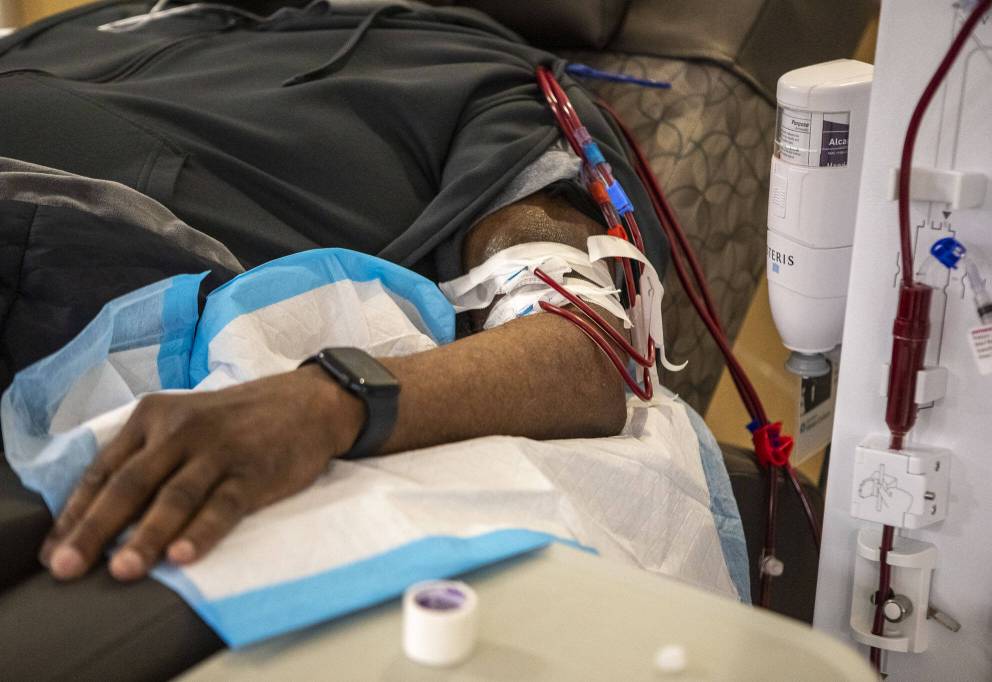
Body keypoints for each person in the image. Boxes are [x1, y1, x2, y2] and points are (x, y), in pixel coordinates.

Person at [0, 3, 668, 671]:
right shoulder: (101, 24)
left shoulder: (483, 89)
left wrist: (329, 401)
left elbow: (582, 348)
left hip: (70, 330)